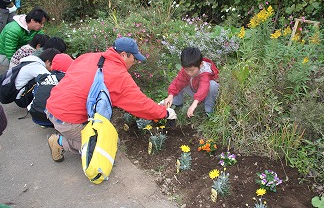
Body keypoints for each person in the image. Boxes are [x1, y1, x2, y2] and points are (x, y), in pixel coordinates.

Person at [45, 37, 177, 162]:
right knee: (108, 146)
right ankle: (59, 142)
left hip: (52, 104)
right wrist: (165, 113)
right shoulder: (118, 75)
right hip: (66, 119)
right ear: (124, 55)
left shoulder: (89, 56)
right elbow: (140, 104)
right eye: (134, 58)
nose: (135, 62)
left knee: (100, 131)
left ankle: (74, 132)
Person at [164, 47, 219, 118]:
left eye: (192, 70)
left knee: (212, 85)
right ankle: (176, 103)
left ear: (201, 65)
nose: (189, 73)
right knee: (180, 82)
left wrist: (194, 104)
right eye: (186, 70)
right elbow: (178, 82)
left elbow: (203, 88)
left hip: (205, 95)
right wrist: (170, 95)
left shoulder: (206, 72)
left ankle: (209, 110)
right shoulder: (186, 70)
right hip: (195, 91)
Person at [29, 53, 73, 127]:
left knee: (40, 89)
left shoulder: (43, 77)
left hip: (35, 115)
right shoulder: (67, 80)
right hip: (52, 119)